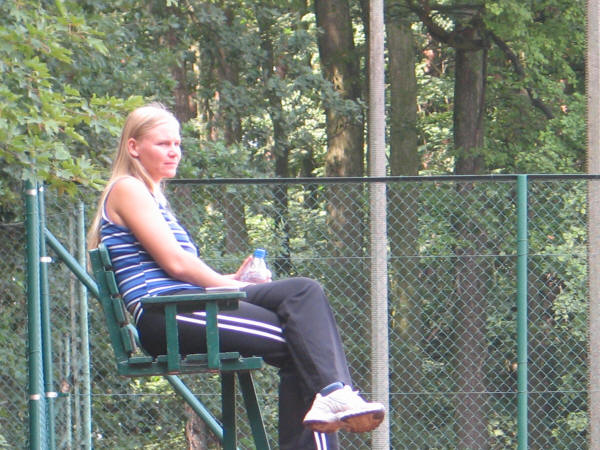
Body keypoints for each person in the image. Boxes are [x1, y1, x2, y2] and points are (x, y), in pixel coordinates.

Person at [87, 102, 384, 449]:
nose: (174, 151)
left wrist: (234, 279)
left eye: (177, 143)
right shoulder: (128, 188)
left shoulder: (153, 196)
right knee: (306, 346)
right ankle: (334, 392)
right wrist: (233, 285)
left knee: (303, 298)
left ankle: (333, 393)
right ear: (134, 147)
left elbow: (178, 270)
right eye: (163, 143)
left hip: (186, 305)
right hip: (167, 315)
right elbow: (176, 264)